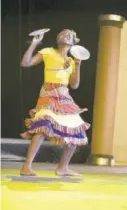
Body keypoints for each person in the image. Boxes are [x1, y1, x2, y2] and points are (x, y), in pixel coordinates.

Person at [19, 29, 89, 177]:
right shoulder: (48, 52)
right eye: (62, 34)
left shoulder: (71, 61)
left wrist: (77, 65)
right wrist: (34, 44)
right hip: (49, 93)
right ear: (57, 39)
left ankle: (63, 168)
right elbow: (25, 63)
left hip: (64, 96)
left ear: (74, 43)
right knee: (43, 126)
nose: (65, 35)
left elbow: (74, 85)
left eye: (69, 35)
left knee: (77, 129)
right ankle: (26, 167)